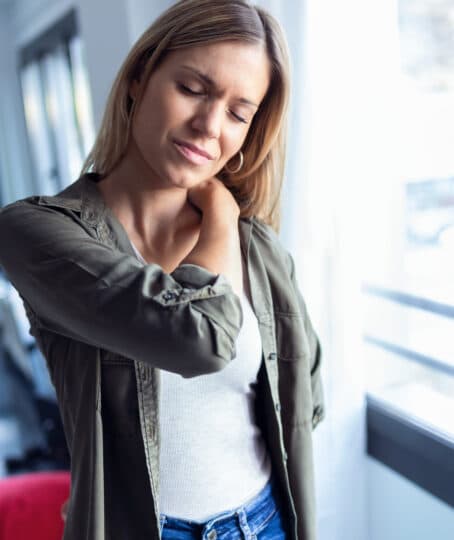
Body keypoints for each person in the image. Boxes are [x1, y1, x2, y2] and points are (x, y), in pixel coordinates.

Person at [0, 0, 324, 539]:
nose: (208, 124)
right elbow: (196, 339)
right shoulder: (34, 232)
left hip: (264, 522)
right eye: (193, 89)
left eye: (238, 113)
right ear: (138, 79)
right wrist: (220, 212)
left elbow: (304, 395)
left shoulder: (259, 249)